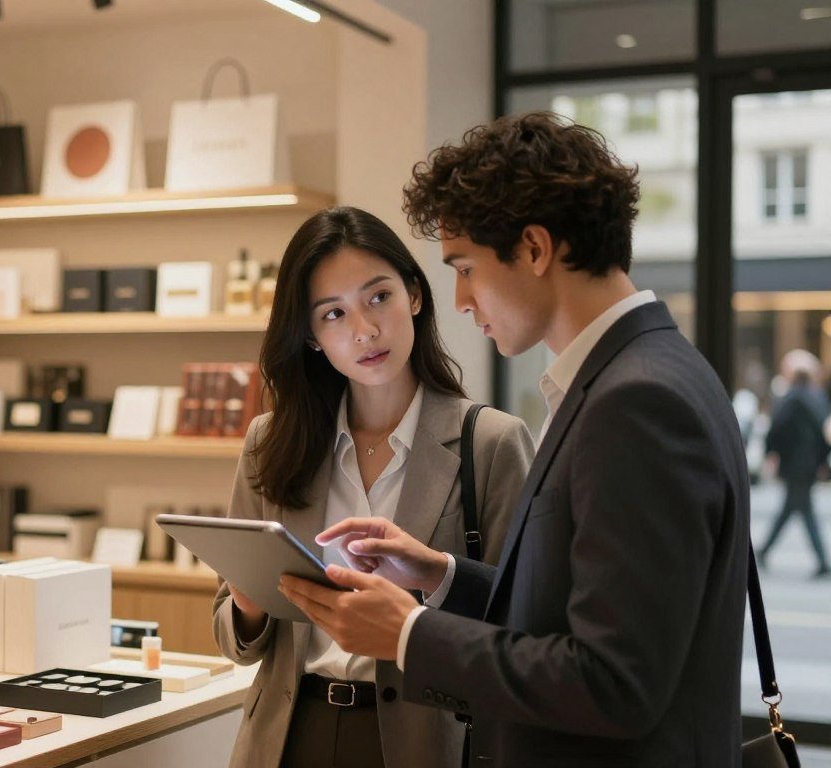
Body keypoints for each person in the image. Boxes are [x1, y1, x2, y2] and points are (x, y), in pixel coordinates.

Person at [278, 113, 750, 766]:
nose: (462, 300)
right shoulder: (639, 373)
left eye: (466, 267)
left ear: (533, 248)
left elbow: (614, 681)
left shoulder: (636, 401)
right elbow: (578, 608)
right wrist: (441, 575)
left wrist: (409, 633)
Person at [212, 206, 534, 768]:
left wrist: (426, 594)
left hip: (425, 740)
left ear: (414, 294)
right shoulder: (272, 442)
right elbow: (233, 637)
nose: (363, 330)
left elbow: (525, 626)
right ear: (311, 337)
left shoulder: (491, 442)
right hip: (288, 735)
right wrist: (248, 602)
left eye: (378, 297)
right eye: (333, 314)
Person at [759, 351, 831, 578]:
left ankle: (820, 560)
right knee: (794, 508)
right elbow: (824, 434)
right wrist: (822, 461)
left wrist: (771, 452)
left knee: (797, 509)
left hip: (794, 465)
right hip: (809, 465)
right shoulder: (817, 398)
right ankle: (765, 551)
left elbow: (776, 429)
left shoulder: (790, 398)